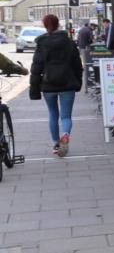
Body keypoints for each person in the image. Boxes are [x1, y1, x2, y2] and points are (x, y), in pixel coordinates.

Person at [29, 14, 82, 158]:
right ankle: (65, 135)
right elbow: (78, 65)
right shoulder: (69, 43)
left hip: (48, 85)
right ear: (58, 24)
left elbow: (36, 68)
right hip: (68, 84)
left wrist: (34, 90)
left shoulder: (41, 44)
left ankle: (56, 144)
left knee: (53, 114)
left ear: (45, 26)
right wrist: (78, 83)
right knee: (66, 117)